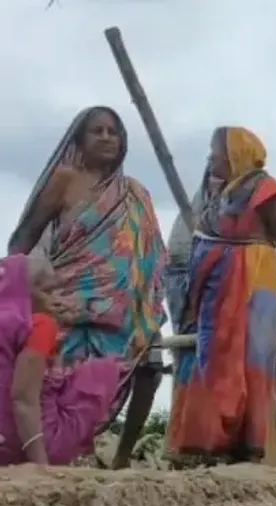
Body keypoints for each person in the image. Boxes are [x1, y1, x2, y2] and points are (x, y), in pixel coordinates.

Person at [6, 106, 168, 469]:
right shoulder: (65, 180)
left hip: (130, 311)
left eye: (114, 131)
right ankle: (60, 454)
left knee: (151, 368)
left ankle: (122, 457)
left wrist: (144, 297)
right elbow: (21, 240)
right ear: (80, 139)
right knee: (62, 382)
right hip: (68, 301)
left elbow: (151, 253)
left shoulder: (136, 193)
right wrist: (28, 291)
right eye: (98, 130)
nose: (107, 137)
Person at [167, 126, 276, 463]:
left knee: (251, 362)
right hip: (219, 293)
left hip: (256, 286)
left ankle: (246, 445)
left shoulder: (266, 190)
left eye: (216, 154)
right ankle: (214, 443)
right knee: (215, 359)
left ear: (235, 155)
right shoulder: (221, 195)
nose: (211, 161)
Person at [0, 254, 133, 466]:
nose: (56, 299)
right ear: (24, 290)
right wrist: (41, 466)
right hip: (20, 443)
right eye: (47, 291)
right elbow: (23, 398)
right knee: (104, 372)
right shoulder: (39, 326)